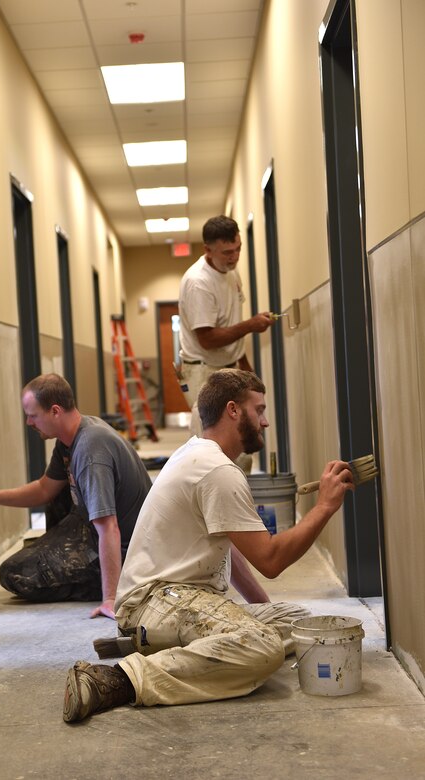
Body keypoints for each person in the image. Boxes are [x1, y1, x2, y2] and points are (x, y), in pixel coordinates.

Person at [62, 369, 354, 722]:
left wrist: (259, 614)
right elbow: (271, 560)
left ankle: (164, 647)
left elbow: (231, 546)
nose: (264, 423)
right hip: (155, 601)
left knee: (296, 621)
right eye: (258, 410)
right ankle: (117, 680)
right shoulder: (217, 470)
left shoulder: (202, 454)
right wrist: (324, 507)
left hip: (178, 599)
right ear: (233, 410)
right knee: (263, 648)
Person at [0, 373, 152, 618]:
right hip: (98, 530)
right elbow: (45, 489)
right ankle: (59, 555)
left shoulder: (90, 449)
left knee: (15, 573)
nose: (29, 423)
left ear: (55, 411)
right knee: (58, 493)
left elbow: (109, 528)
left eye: (33, 415)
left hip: (129, 552)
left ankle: (116, 581)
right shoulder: (71, 437)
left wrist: (110, 598)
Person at [178, 215, 275, 435]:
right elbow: (208, 339)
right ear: (208, 250)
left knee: (240, 436)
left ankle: (235, 471)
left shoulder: (232, 272)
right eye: (227, 252)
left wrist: (244, 364)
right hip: (202, 369)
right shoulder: (198, 283)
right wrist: (251, 325)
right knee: (212, 437)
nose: (235, 257)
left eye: (238, 249)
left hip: (230, 365)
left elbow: (232, 322)